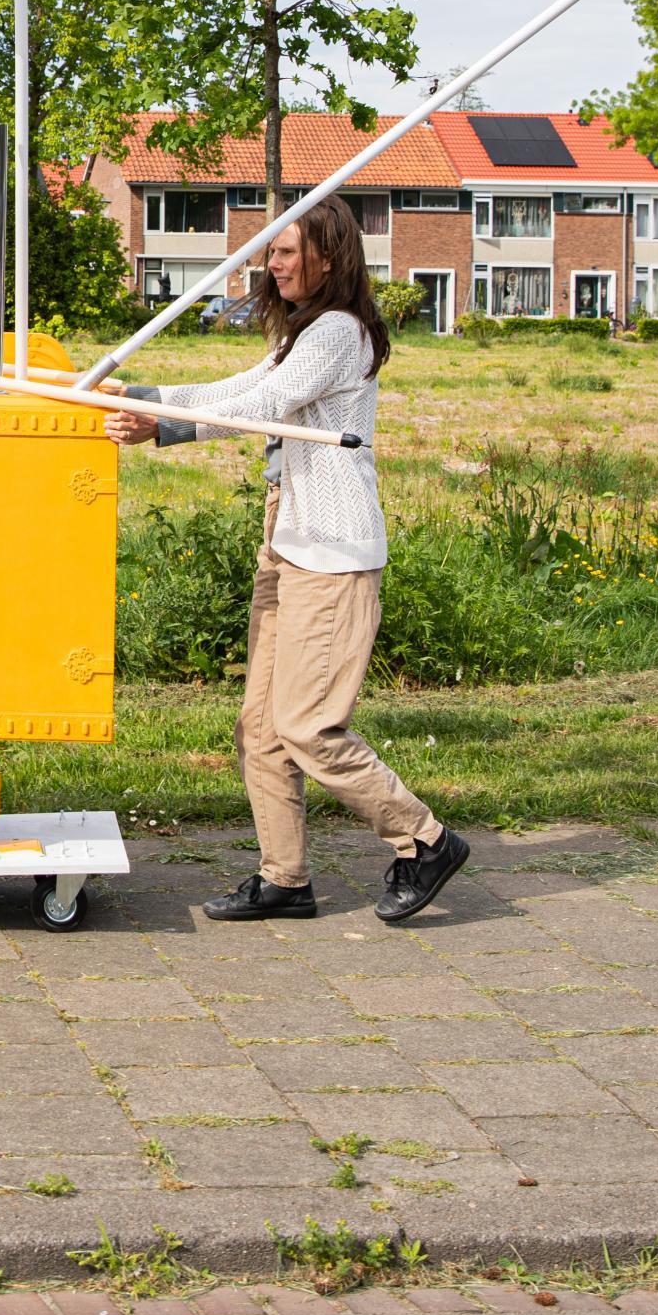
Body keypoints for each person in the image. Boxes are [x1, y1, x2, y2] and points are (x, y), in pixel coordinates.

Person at [106, 195, 469, 926]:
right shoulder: (305, 330)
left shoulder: (338, 330)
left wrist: (163, 428)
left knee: (306, 726)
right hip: (287, 543)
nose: (271, 262)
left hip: (331, 553)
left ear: (327, 258)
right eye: (271, 251)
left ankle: (425, 839)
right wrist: (141, 396)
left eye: (285, 250)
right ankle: (285, 879)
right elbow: (239, 387)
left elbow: (266, 404)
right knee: (261, 728)